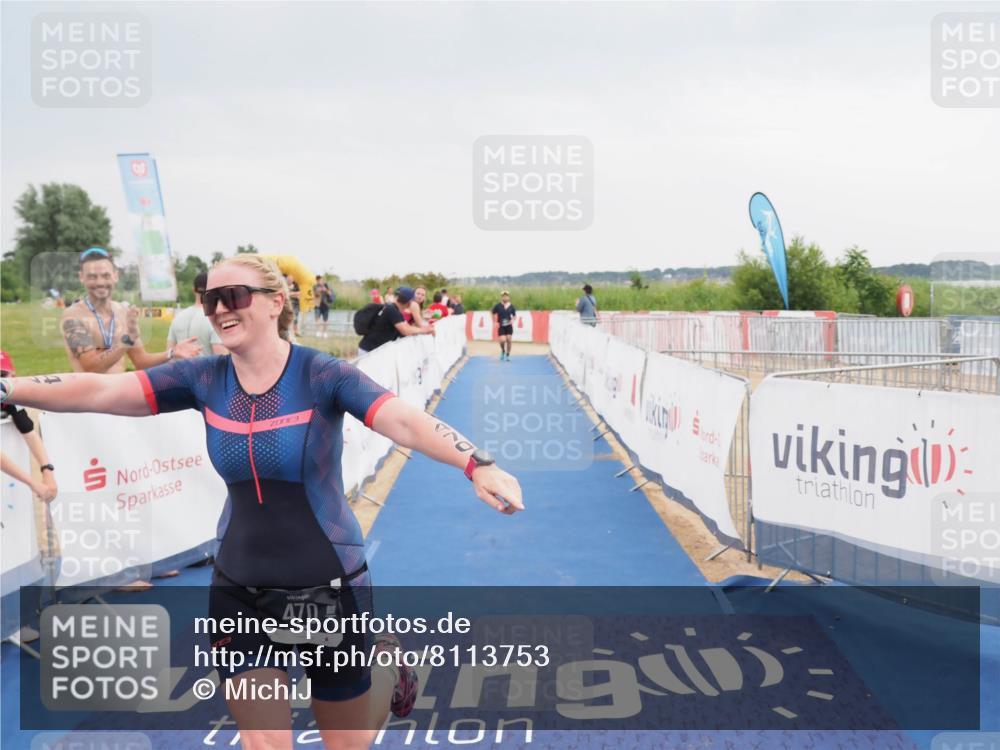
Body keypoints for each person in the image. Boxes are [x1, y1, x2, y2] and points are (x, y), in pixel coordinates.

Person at [1, 254, 523, 750]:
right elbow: (94, 390)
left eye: (234, 295)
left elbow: (403, 419)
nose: (220, 308)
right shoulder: (202, 377)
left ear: (275, 302)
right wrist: (9, 388)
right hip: (238, 590)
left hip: (327, 583)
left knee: (348, 742)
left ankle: (385, 666)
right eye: (210, 300)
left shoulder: (322, 375)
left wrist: (477, 463)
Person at [61, 247, 202, 373]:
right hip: (88, 399)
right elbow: (92, 367)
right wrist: (126, 340)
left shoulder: (123, 312)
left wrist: (172, 353)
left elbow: (141, 362)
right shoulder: (73, 316)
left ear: (115, 276)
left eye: (105, 275)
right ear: (81, 278)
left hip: (118, 396)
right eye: (92, 277)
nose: (100, 282)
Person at [0, 351, 58, 505]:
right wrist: (32, 483)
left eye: (2, 374)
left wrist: (47, 470)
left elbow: (29, 433)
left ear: (13, 377)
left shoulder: (9, 396)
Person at [358, 286, 434, 355]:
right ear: (409, 302)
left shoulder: (394, 309)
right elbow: (405, 330)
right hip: (369, 351)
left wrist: (425, 329)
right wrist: (425, 330)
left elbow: (406, 327)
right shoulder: (392, 310)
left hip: (374, 350)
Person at [168, 272, 227, 356]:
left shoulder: (178, 316)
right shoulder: (214, 317)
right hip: (206, 369)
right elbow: (221, 358)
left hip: (180, 368)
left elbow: (170, 353)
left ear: (193, 290)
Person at [491, 291, 516, 361]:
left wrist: (513, 320)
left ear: (508, 297)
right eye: (504, 296)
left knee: (509, 340)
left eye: (506, 296)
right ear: (502, 297)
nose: (505, 297)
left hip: (509, 326)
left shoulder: (511, 306)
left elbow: (514, 316)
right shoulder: (498, 306)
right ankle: (503, 350)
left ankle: (508, 355)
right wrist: (495, 322)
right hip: (501, 326)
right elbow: (492, 313)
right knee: (502, 340)